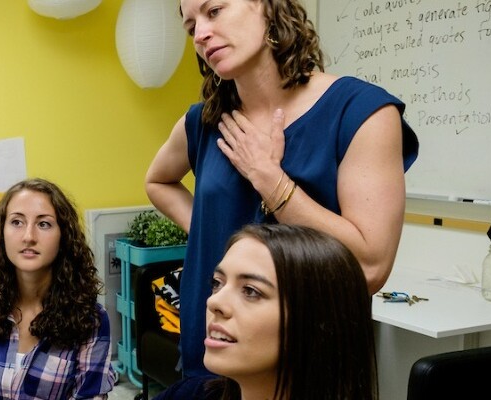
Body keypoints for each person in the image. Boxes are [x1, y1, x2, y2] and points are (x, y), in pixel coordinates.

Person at [144, 0, 418, 379]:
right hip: (214, 345)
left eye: (214, 11)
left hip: (309, 357)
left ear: (266, 6)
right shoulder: (204, 120)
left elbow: (369, 267)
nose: (201, 35)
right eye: (191, 27)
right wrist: (212, 236)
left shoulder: (361, 112)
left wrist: (271, 182)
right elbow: (157, 182)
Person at [0, 178, 116, 399]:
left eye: (43, 224)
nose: (29, 236)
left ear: (63, 236)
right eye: (17, 222)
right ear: (2, 232)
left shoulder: (90, 319)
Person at [154, 224, 377, 400]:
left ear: (316, 320)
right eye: (217, 282)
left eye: (251, 291)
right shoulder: (190, 394)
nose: (214, 301)